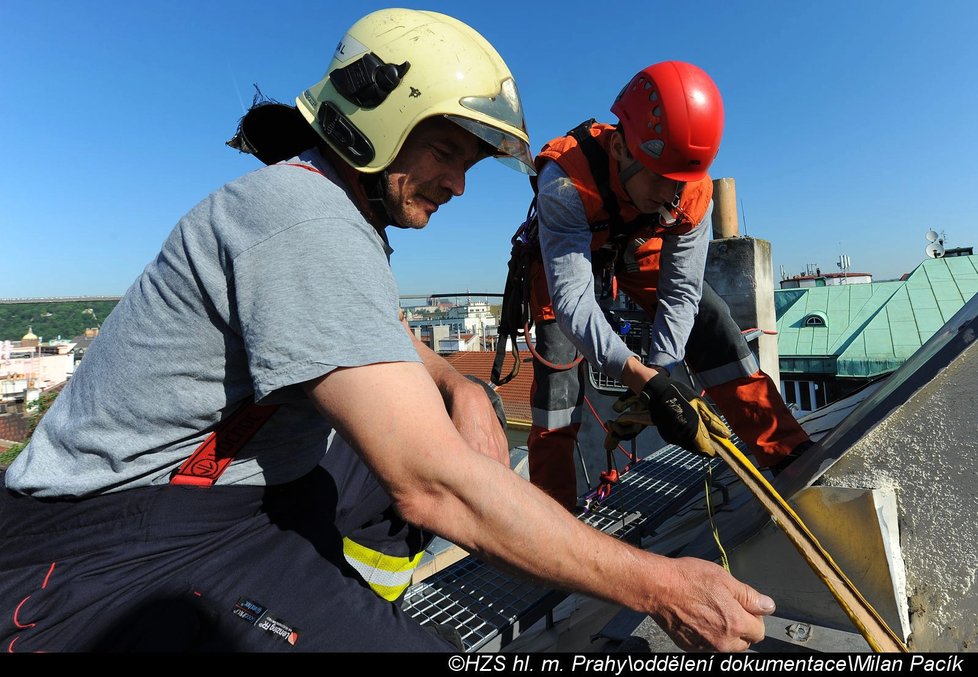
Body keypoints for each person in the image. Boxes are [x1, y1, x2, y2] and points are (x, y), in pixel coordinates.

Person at [0, 11, 773, 652]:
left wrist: (459, 386)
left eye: (469, 161)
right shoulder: (300, 219)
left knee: (414, 445)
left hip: (238, 496)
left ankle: (343, 597)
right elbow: (432, 485)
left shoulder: (333, 213)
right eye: (444, 150)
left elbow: (387, 333)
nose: (458, 183)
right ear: (377, 116)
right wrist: (660, 583)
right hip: (105, 553)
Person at [505, 61, 812, 511]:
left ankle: (788, 453)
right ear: (619, 149)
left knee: (711, 320)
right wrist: (638, 377)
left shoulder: (689, 191)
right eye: (660, 179)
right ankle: (553, 517)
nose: (672, 196)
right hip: (572, 253)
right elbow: (573, 299)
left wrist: (661, 375)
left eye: (679, 184)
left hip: (638, 243)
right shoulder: (566, 183)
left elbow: (681, 291)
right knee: (556, 380)